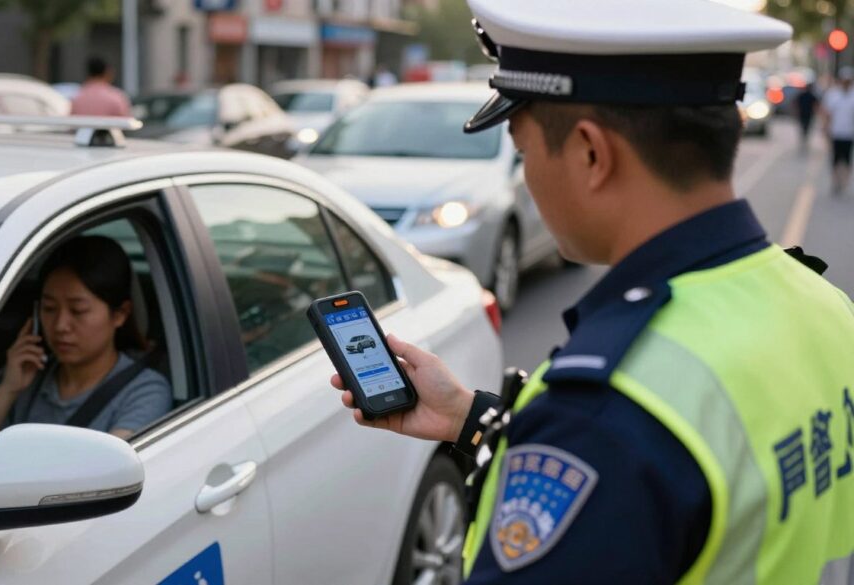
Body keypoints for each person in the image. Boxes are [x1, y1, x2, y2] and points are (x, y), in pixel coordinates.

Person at [329, 1, 854, 583]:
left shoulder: (604, 415)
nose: (527, 176)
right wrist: (471, 419)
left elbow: (632, 454)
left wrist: (558, 429)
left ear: (590, 153)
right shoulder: (824, 305)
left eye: (524, 152)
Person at [0, 236, 171, 441]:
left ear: (120, 314)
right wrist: (8, 390)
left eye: (78, 310)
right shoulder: (18, 377)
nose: (60, 326)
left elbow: (109, 469)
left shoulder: (144, 391)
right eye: (49, 309)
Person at [821, 67, 854, 194]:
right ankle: (836, 181)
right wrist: (825, 129)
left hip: (849, 134)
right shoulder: (833, 94)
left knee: (847, 159)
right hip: (836, 133)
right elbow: (827, 113)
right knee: (835, 159)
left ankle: (844, 182)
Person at [795, 82, 819, 154]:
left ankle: (804, 137)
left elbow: (816, 105)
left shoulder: (810, 96)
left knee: (805, 126)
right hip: (805, 114)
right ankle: (804, 137)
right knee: (805, 126)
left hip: (807, 114)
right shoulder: (803, 95)